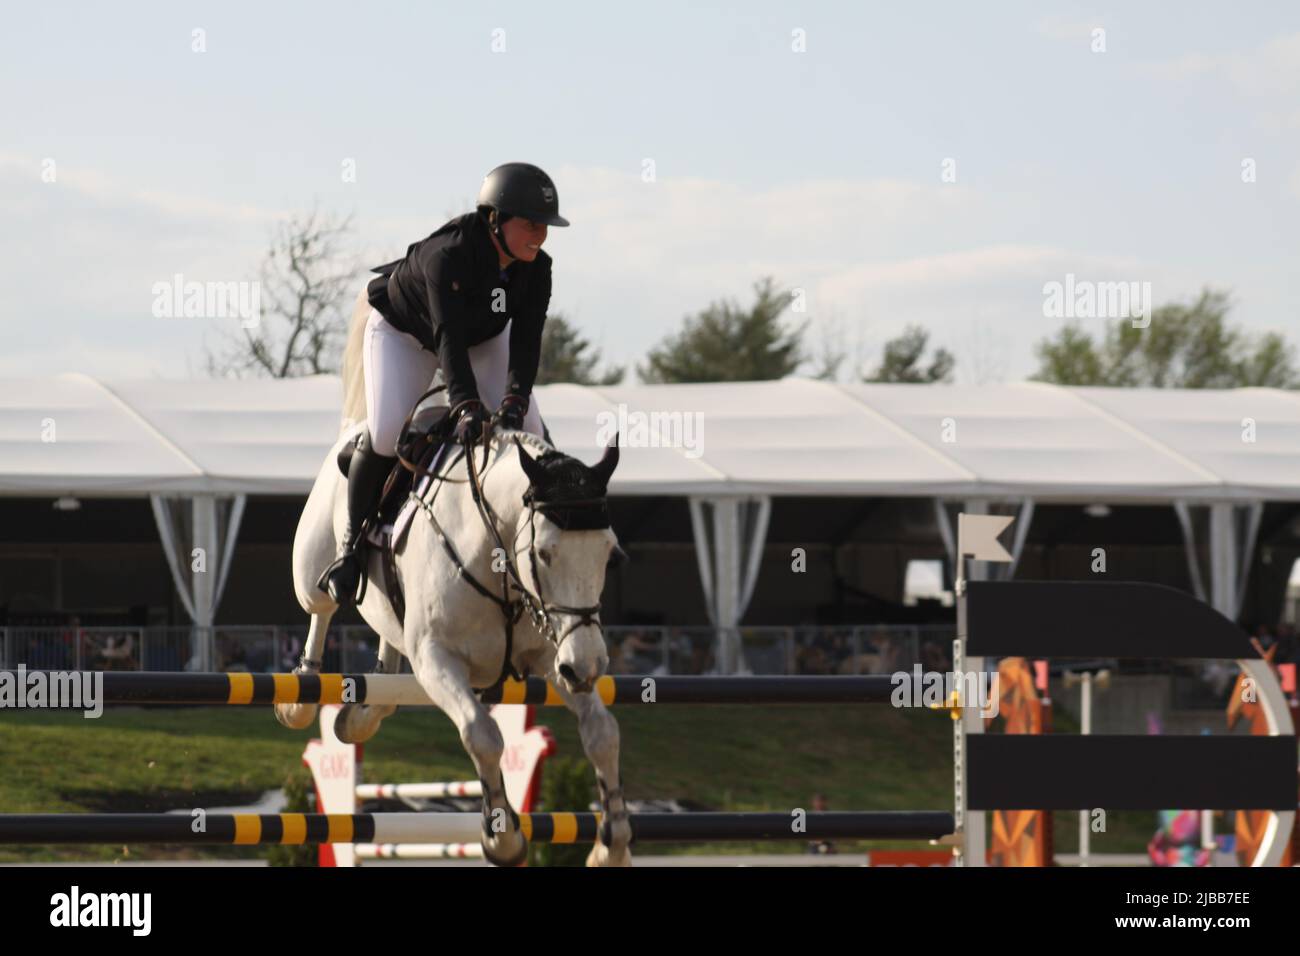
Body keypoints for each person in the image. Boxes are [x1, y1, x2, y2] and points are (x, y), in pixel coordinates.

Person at [319, 162, 568, 605]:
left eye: (545, 226)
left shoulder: (537, 269)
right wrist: (467, 406)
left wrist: (514, 399)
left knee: (529, 431)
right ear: (495, 218)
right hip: (405, 334)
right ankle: (350, 550)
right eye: (530, 224)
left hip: (482, 337)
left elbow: (527, 341)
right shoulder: (448, 255)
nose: (540, 235)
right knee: (388, 431)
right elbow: (445, 339)